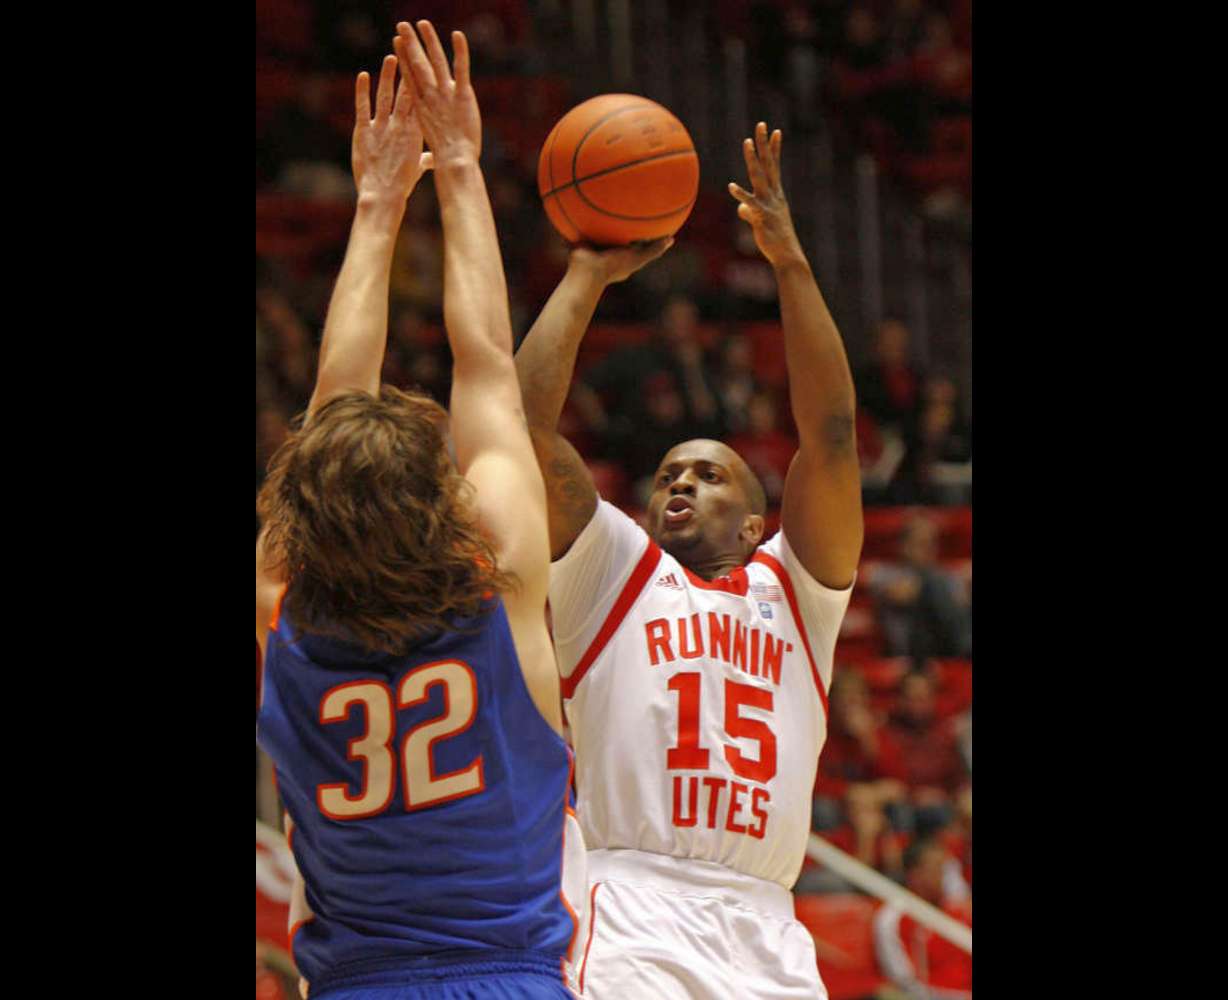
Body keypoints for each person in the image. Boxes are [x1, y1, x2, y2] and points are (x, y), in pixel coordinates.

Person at [255, 22, 583, 999]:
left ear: (304, 513)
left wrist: (372, 201)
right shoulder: (506, 584)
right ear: (451, 505)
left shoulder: (283, 613)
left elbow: (331, 414)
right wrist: (459, 168)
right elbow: (486, 359)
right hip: (506, 978)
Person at [516, 122, 864, 998]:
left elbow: (830, 435)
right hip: (633, 902)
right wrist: (587, 273)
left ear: (756, 523)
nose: (680, 483)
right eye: (668, 473)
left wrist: (789, 265)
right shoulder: (617, 572)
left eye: (709, 475)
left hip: (767, 922)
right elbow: (517, 431)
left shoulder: (796, 590)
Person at [873, 837, 972, 1000]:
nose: (944, 876)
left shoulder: (958, 910)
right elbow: (905, 982)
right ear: (915, 874)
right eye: (938, 869)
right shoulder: (893, 918)